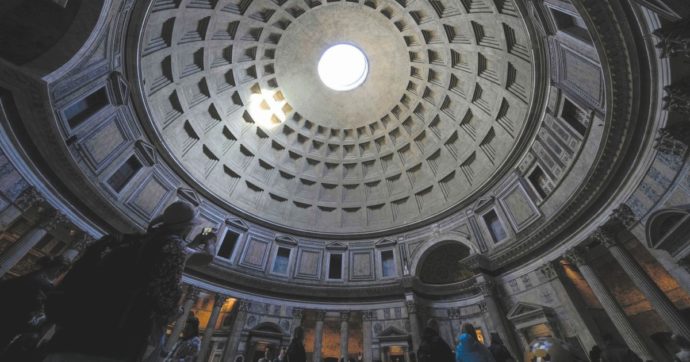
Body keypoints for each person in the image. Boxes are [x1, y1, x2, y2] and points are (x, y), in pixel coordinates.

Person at [44, 201, 217, 361]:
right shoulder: (175, 247)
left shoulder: (136, 239)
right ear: (186, 227)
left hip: (79, 326)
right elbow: (167, 296)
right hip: (116, 336)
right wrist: (210, 242)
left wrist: (191, 244)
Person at [0, 256, 68, 359]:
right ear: (58, 268)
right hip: (12, 321)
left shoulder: (33, 275)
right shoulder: (45, 285)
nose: (60, 274)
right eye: (62, 270)